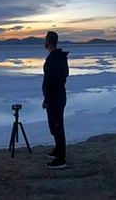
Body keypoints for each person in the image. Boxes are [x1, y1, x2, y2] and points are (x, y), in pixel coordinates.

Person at [42, 31, 69, 169]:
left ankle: (61, 159)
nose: (44, 42)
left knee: (57, 127)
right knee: (55, 126)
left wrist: (47, 99)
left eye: (45, 39)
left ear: (49, 42)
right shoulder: (60, 57)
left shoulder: (54, 59)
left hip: (55, 98)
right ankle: (58, 150)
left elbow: (50, 82)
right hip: (59, 96)